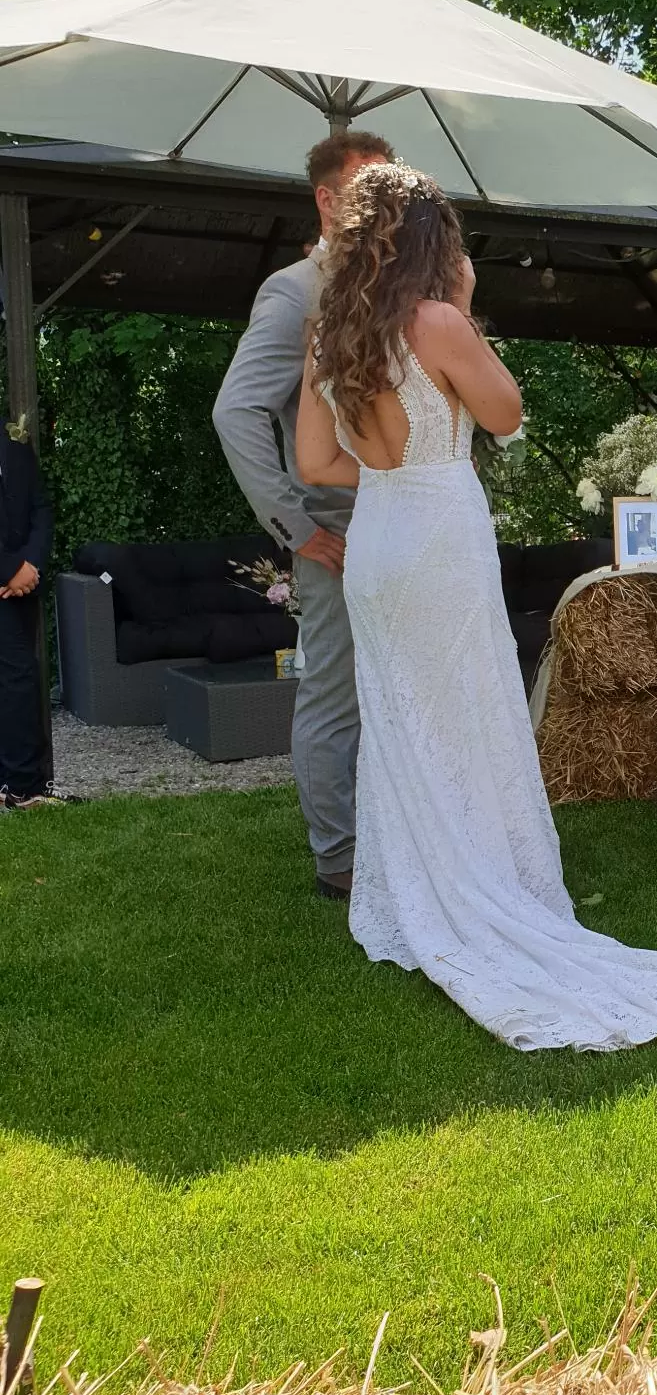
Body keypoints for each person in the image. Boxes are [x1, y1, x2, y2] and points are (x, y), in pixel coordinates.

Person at [294, 161, 657, 1050]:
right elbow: (507, 413)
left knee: (403, 723)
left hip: (378, 544)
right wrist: (466, 305)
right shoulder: (436, 321)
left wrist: (384, 464)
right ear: (434, 245)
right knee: (471, 712)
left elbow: (318, 465)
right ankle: (486, 888)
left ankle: (420, 888)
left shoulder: (330, 334)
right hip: (438, 537)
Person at [214, 129, 395, 900]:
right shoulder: (295, 291)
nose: (386, 202)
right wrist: (297, 526)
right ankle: (339, 861)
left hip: (406, 517)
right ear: (326, 199)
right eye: (367, 187)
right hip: (336, 527)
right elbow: (236, 412)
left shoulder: (400, 285)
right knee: (333, 691)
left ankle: (398, 837)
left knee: (399, 686)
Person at [0, 425, 57, 811]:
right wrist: (8, 570)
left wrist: (30, 566)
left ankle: (22, 787)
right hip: (6, 581)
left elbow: (41, 510)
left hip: (15, 588)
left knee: (20, 681)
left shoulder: (16, 450)